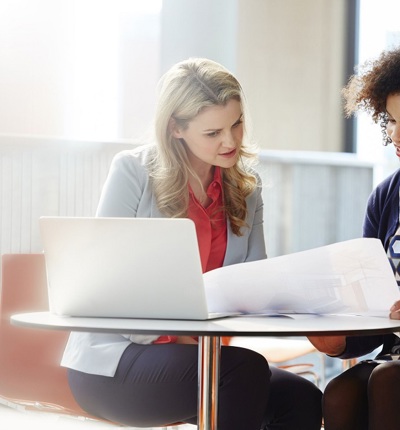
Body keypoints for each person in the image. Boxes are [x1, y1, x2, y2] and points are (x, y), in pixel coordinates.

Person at [60, 58, 322, 429]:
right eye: (213, 133)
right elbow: (101, 278)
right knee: (244, 371)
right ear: (176, 129)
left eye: (237, 123)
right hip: (115, 361)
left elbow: (255, 281)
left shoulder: (247, 190)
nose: (230, 141)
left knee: (301, 397)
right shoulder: (133, 172)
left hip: (205, 360)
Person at [308, 47, 400, 430]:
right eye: (393, 120)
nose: (396, 134)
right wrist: (341, 340)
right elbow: (375, 310)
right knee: (340, 391)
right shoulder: (387, 195)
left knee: (387, 381)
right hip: (394, 356)